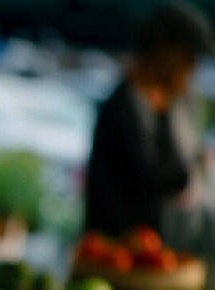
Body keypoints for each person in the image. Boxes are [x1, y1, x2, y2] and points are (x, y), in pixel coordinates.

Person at [84, 1, 215, 244]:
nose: (191, 69)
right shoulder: (123, 107)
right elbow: (152, 177)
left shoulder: (166, 105)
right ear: (164, 51)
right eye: (188, 58)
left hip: (149, 249)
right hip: (119, 252)